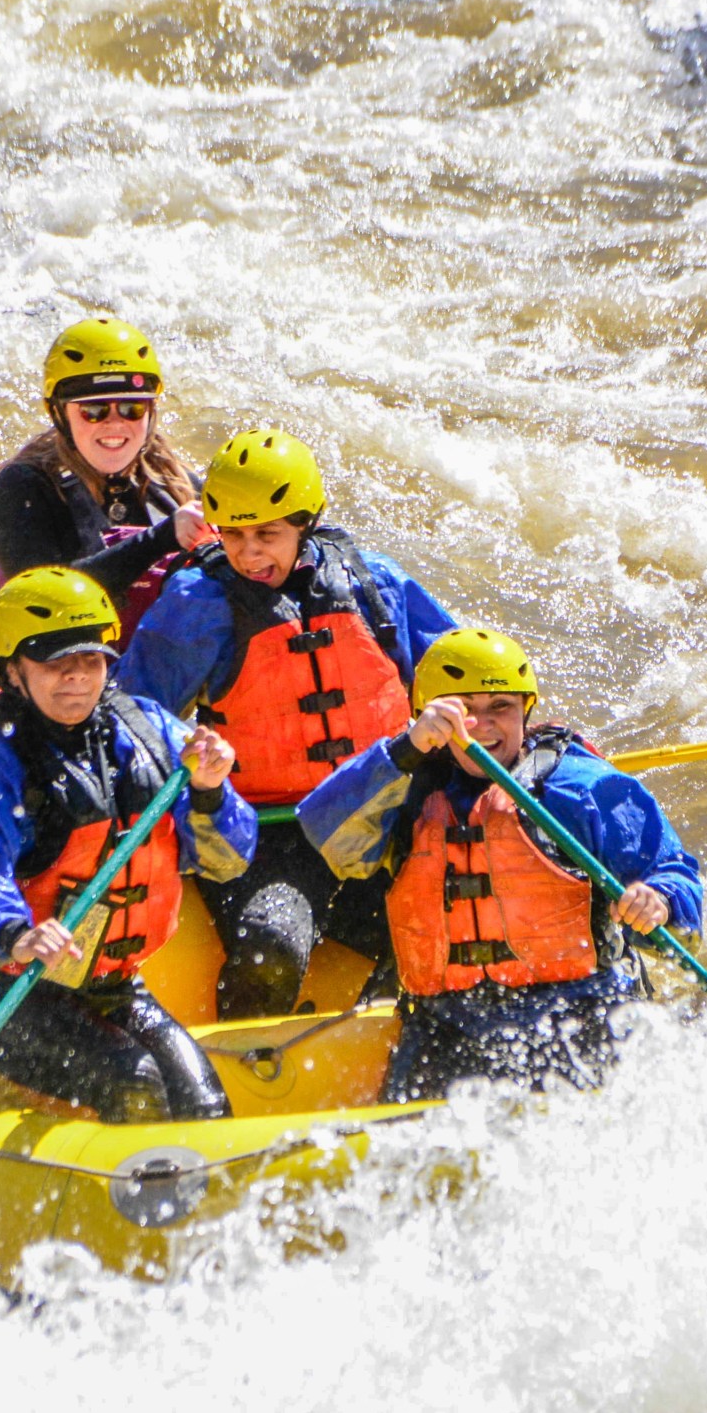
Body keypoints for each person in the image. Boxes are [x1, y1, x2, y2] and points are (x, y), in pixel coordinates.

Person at [117, 429, 457, 1019]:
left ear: (305, 524)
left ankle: (400, 1042)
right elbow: (135, 714)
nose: (250, 554)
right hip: (274, 832)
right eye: (234, 535)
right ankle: (245, 1073)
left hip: (383, 812)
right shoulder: (199, 603)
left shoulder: (374, 584)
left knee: (449, 928)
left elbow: (460, 675)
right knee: (268, 950)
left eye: (267, 535)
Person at [298, 627, 704, 1101]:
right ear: (430, 715)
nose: (484, 726)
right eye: (464, 710)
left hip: (581, 1010)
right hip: (449, 1020)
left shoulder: (581, 788)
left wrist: (658, 901)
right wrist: (405, 750)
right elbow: (324, 829)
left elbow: (674, 872)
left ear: (524, 711)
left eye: (501, 708)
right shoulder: (404, 790)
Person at [0, 568, 250, 1123]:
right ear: (13, 672)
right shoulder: (0, 758)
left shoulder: (149, 731)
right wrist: (16, 933)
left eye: (90, 661)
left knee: (206, 1106)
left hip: (111, 983)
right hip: (9, 986)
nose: (76, 678)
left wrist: (209, 790)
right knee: (136, 1084)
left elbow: (228, 857)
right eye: (56, 665)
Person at [0, 317, 212, 632]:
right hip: (60, 673)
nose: (114, 424)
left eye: (132, 409)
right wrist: (162, 538)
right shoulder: (21, 488)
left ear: (152, 411)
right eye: (93, 410)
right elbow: (45, 606)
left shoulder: (175, 484)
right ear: (58, 413)